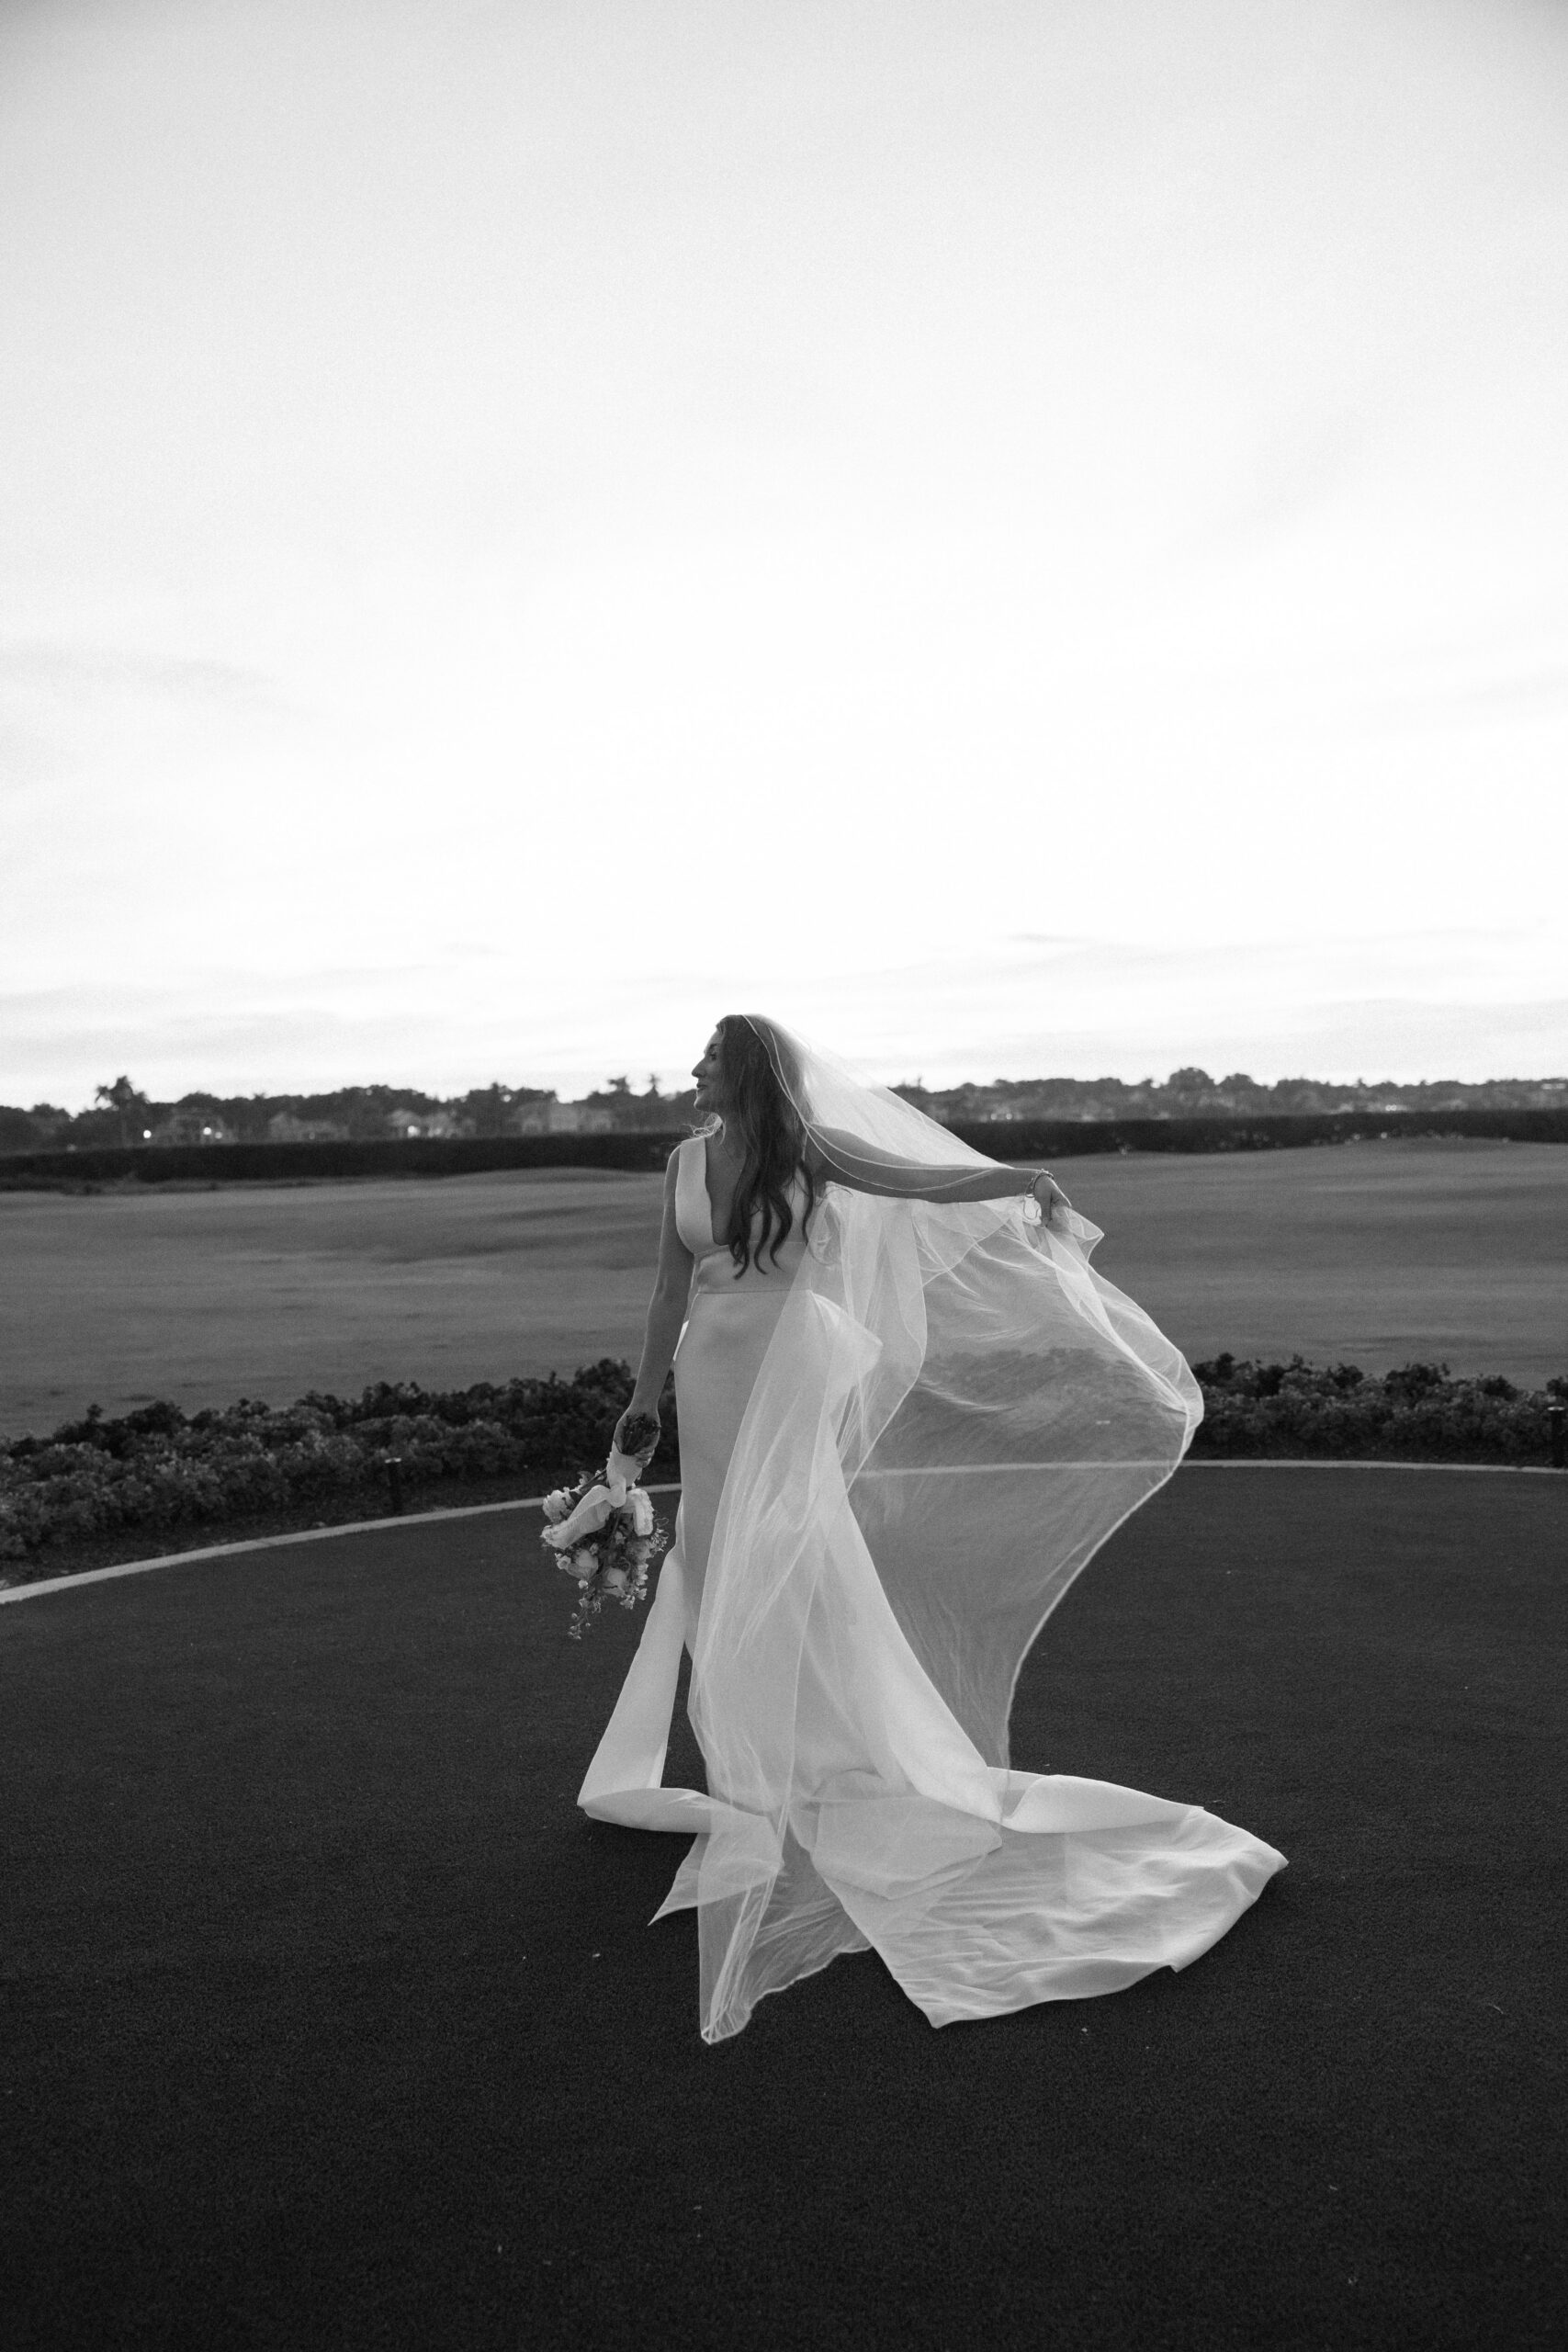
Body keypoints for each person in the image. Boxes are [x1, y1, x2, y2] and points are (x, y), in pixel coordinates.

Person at [581, 1014, 1284, 2042]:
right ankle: (760, 1768)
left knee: (788, 1551)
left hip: (789, 1362)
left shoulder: (812, 1150)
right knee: (722, 1549)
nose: (691, 1068)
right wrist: (641, 1403)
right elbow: (668, 1287)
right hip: (710, 1368)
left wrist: (1016, 1180)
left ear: (747, 1071)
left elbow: (916, 1179)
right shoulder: (688, 1158)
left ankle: (802, 1762)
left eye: (708, 1057)